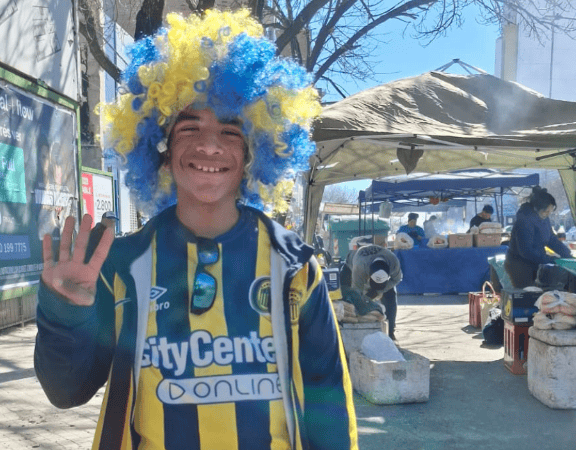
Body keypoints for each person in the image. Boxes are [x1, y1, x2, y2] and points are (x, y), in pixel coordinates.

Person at [33, 10, 358, 450]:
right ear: (160, 147)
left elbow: (329, 405)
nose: (209, 145)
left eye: (230, 131)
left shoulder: (295, 267)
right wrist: (65, 314)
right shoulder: (122, 266)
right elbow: (66, 390)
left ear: (254, 154)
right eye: (190, 127)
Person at [505, 186, 573, 289]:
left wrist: (566, 254)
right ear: (536, 208)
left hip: (537, 262)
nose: (548, 214)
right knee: (529, 295)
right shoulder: (524, 220)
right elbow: (526, 251)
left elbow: (550, 239)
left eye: (550, 211)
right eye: (546, 211)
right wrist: (550, 260)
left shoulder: (543, 218)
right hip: (520, 265)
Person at [342, 244, 402, 340]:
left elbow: (397, 279)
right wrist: (365, 302)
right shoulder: (360, 266)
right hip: (350, 265)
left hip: (371, 263)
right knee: (345, 294)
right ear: (369, 274)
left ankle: (390, 332)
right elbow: (357, 291)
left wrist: (380, 291)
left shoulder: (393, 262)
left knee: (390, 297)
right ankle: (345, 328)